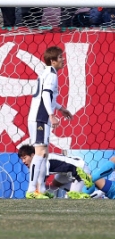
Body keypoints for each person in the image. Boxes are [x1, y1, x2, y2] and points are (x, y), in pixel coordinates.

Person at [26, 46, 74, 199]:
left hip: (41, 116)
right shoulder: (52, 75)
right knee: (40, 153)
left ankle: (40, 190)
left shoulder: (48, 73)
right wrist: (52, 115)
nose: (63, 59)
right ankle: (31, 190)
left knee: (44, 154)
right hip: (40, 117)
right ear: (52, 61)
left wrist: (61, 109)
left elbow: (48, 97)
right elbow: (45, 95)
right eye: (60, 57)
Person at [18, 145, 92, 199]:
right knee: (55, 183)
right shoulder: (36, 163)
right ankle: (77, 189)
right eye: (22, 159)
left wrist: (37, 194)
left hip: (80, 170)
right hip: (68, 172)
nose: (23, 161)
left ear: (33, 155)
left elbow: (40, 183)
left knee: (73, 197)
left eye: (25, 158)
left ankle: (95, 194)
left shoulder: (42, 162)